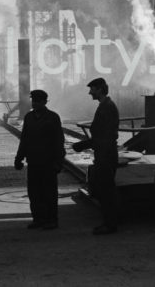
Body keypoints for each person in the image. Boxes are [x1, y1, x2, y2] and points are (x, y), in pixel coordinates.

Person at [72, 77, 119, 235]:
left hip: (106, 155)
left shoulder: (107, 108)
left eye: (92, 89)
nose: (89, 92)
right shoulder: (105, 106)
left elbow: (104, 136)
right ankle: (108, 222)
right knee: (104, 190)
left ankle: (110, 225)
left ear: (99, 89)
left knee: (107, 192)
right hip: (104, 153)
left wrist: (83, 145)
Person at [14, 90, 66, 230]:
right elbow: (24, 139)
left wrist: (58, 162)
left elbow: (59, 141)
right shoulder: (29, 117)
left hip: (48, 162)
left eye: (37, 101)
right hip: (34, 162)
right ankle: (38, 219)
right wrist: (19, 158)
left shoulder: (53, 117)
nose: (34, 103)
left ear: (44, 102)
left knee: (49, 192)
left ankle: (51, 220)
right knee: (34, 192)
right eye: (33, 100)